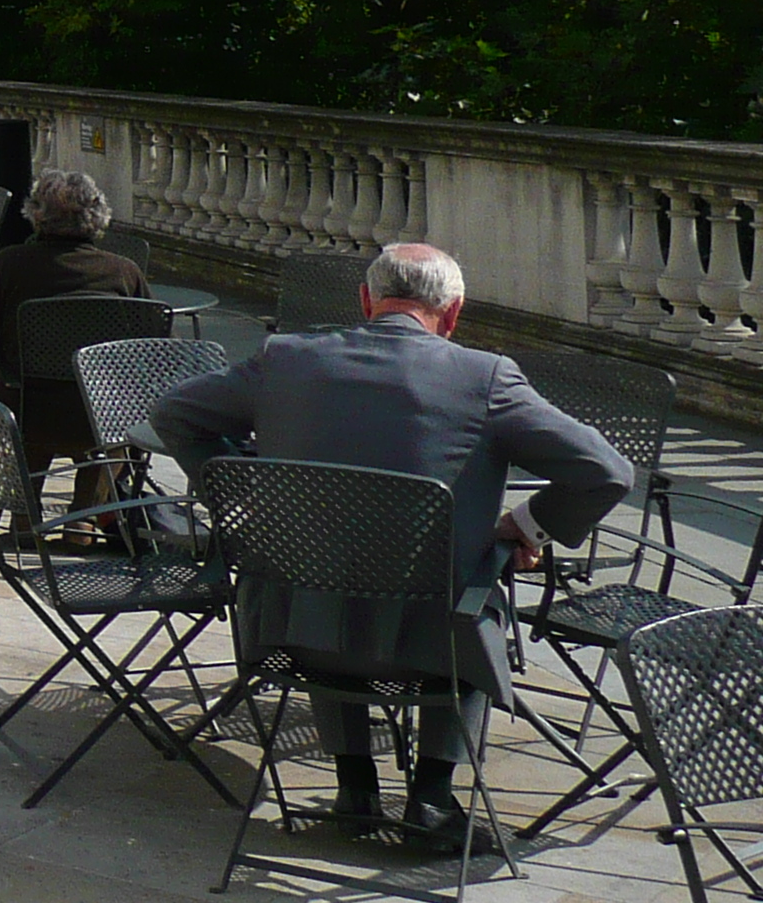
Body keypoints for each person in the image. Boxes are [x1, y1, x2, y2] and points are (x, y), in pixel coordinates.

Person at [152, 244, 632, 849]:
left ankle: (356, 791)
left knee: (328, 562)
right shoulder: (485, 377)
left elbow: (173, 414)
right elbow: (606, 472)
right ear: (454, 313)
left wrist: (245, 497)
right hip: (437, 650)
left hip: (290, 635)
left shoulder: (286, 358)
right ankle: (430, 801)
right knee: (470, 586)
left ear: (365, 303)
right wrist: (527, 526)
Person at [0, 170, 150, 516]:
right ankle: (86, 517)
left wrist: (0, 336)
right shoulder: (124, 272)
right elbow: (154, 351)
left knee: (23, 392)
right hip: (101, 417)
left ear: (36, 214)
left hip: (24, 411)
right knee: (110, 403)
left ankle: (24, 516)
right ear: (98, 215)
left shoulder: (10, 264)